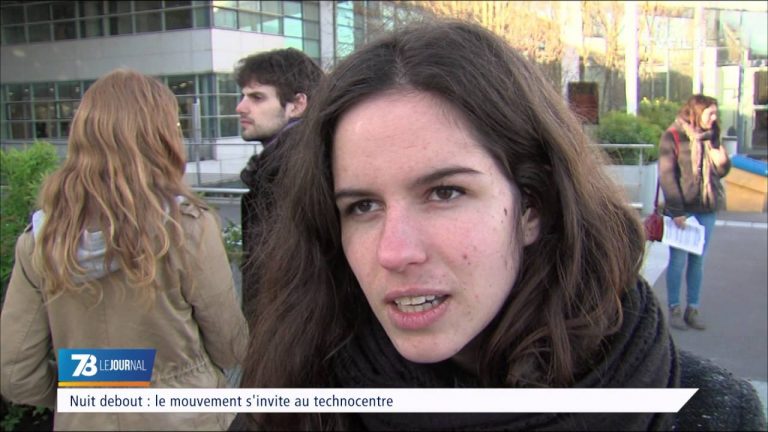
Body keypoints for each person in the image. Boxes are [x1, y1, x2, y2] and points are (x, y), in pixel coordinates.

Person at [231, 20, 766, 431]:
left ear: (532, 206)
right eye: (363, 206)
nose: (394, 252)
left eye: (445, 192)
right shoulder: (293, 393)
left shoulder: (709, 411)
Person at [0, 69, 248, 431]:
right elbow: (230, 347)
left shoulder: (40, 239)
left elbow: (16, 373)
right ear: (161, 138)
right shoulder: (187, 228)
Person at [234, 48, 323, 313]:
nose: (240, 107)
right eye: (243, 96)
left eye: (257, 97)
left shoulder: (295, 174)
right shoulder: (282, 165)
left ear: (297, 105)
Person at [659, 95, 731, 331]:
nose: (714, 118)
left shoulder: (712, 135)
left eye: (715, 113)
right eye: (710, 113)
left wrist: (722, 160)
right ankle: (674, 308)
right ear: (696, 112)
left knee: (698, 261)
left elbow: (721, 171)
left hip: (706, 208)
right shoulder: (673, 135)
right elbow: (667, 176)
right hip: (684, 210)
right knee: (678, 261)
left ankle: (693, 309)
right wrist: (677, 211)